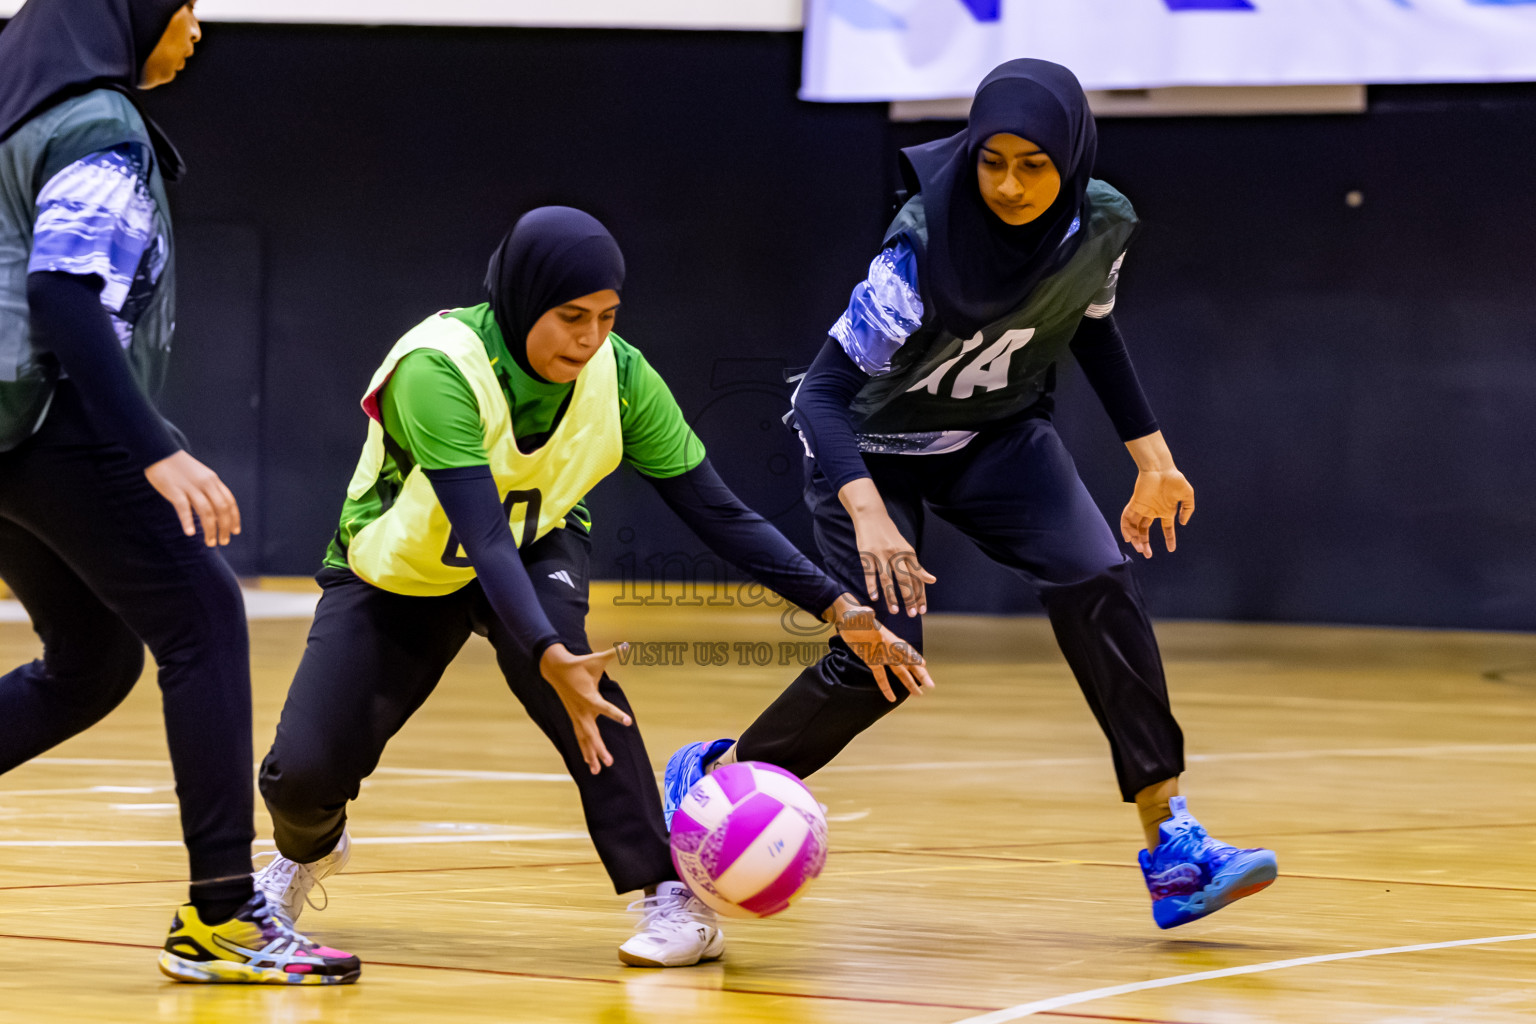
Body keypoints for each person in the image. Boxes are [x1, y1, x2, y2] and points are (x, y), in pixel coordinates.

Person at [664, 59, 1276, 930]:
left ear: (1070, 157)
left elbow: (1091, 329)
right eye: (993, 161)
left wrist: (1154, 458)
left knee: (1098, 583)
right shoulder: (918, 249)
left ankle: (1172, 847)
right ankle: (721, 775)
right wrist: (867, 513)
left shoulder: (1097, 225)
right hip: (870, 450)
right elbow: (819, 397)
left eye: (1035, 164)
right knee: (883, 661)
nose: (1010, 184)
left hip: (995, 438)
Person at [252, 207, 929, 967]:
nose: (589, 338)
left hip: (538, 547)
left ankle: (669, 893)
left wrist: (840, 608)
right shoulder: (437, 368)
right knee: (299, 778)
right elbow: (478, 535)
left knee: (585, 687)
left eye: (607, 317)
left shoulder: (623, 375)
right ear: (519, 300)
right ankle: (304, 851)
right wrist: (539, 648)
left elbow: (718, 511)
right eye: (570, 317)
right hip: (398, 571)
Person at [0, 0, 359, 983]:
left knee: (89, 659)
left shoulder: (18, 125)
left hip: (6, 434)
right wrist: (154, 448)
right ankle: (224, 917)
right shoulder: (95, 127)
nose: (195, 29)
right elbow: (65, 297)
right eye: (186, 6)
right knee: (203, 614)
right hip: (45, 421)